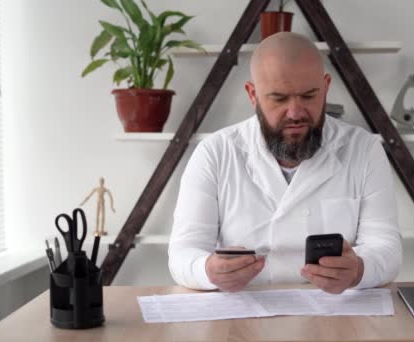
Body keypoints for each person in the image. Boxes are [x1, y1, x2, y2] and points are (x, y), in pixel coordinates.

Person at [168, 32, 402, 294]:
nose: (295, 113)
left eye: (309, 96)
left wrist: (360, 269)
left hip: (335, 315)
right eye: (279, 99)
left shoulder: (364, 150)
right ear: (253, 95)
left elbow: (386, 246)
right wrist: (208, 271)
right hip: (243, 317)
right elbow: (182, 253)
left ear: (325, 87)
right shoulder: (215, 153)